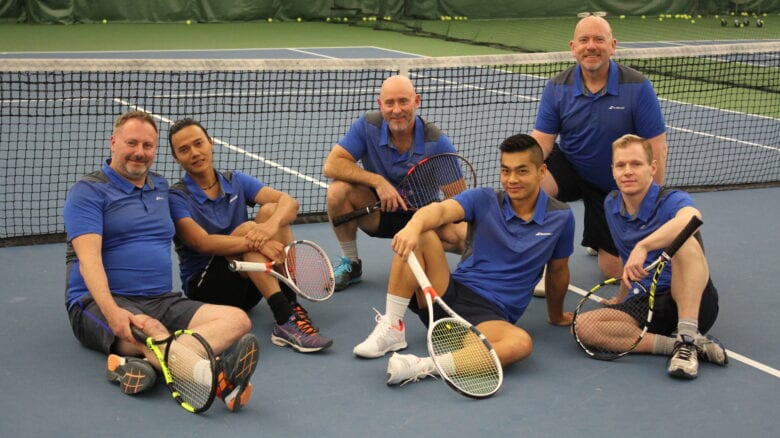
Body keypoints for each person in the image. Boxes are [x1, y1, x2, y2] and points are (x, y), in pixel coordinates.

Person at [64, 111, 258, 411]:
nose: (140, 152)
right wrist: (112, 312)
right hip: (98, 302)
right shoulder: (88, 192)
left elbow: (197, 230)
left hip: (162, 299)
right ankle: (219, 381)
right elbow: (88, 261)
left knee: (237, 320)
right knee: (155, 332)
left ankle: (142, 364)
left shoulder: (160, 187)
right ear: (113, 143)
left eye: (148, 145)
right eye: (132, 143)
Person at [352, 134, 575, 385]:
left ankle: (424, 366)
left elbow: (558, 270)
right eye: (506, 171)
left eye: (521, 171)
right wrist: (413, 227)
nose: (512, 179)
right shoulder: (483, 198)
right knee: (422, 234)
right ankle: (393, 327)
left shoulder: (561, 218)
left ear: (541, 171)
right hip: (447, 294)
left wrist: (556, 316)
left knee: (520, 344)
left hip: (489, 317)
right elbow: (440, 211)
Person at [167, 118, 332, 353]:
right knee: (247, 229)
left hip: (249, 285)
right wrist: (258, 243)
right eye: (184, 149)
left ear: (211, 143)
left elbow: (289, 203)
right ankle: (285, 317)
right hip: (207, 293)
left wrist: (269, 227)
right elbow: (202, 243)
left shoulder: (235, 180)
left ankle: (289, 306)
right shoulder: (177, 197)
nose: (194, 153)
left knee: (271, 210)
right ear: (176, 158)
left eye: (198, 143)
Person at [531, 14, 669, 287]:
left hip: (614, 184)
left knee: (615, 273)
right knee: (531, 185)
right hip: (572, 167)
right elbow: (542, 141)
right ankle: (541, 264)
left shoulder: (638, 86)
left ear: (613, 45)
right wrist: (521, 168)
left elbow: (656, 147)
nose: (591, 46)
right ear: (573, 47)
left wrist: (653, 201)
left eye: (599, 39)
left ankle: (602, 237)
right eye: (584, 40)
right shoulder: (557, 87)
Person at [577, 134, 726, 379]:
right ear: (613, 171)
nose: (628, 171)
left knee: (685, 241)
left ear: (652, 168)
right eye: (621, 165)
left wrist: (644, 246)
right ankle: (682, 345)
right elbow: (626, 258)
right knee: (583, 327)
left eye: (636, 164)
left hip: (692, 301)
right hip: (646, 302)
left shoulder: (670, 199)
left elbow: (693, 218)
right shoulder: (611, 205)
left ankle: (687, 334)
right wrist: (621, 298)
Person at [322, 74, 466, 291]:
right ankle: (350, 262)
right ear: (381, 105)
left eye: (403, 101)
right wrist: (378, 182)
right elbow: (331, 165)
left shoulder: (437, 143)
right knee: (337, 190)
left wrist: (427, 220)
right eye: (389, 103)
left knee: (463, 235)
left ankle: (468, 267)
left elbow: (459, 201)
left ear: (416, 101)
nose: (396, 110)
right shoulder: (367, 126)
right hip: (379, 213)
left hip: (423, 220)